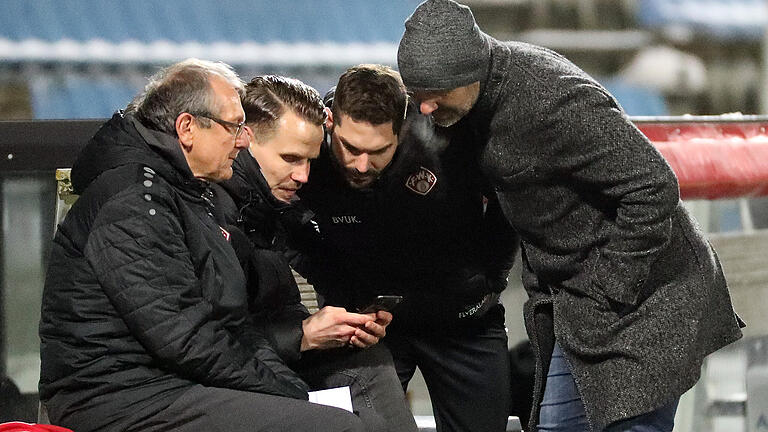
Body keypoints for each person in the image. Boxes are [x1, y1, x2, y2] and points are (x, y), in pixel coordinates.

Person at [396, 1, 745, 431]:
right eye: (418, 94)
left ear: (471, 73)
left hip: (648, 296)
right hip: (579, 303)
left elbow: (653, 186)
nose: (426, 108)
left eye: (435, 93)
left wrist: (610, 288)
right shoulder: (463, 109)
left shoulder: (550, 98)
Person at [39, 59, 370, 432]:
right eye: (235, 127)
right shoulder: (132, 200)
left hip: (167, 382)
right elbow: (184, 337)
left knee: (339, 415)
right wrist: (288, 395)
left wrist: (290, 390)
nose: (244, 140)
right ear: (187, 128)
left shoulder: (193, 194)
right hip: (111, 394)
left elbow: (232, 325)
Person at [257, 64, 518, 432]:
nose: (361, 165)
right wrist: (342, 291)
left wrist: (490, 279)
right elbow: (289, 233)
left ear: (402, 127)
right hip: (374, 328)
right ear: (331, 123)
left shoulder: (447, 142)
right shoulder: (307, 159)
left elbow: (508, 202)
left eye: (378, 151)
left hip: (463, 322)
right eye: (350, 147)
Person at [217, 74, 418, 432]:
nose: (304, 176)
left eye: (310, 160)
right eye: (291, 158)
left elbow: (319, 265)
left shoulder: (271, 208)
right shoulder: (212, 210)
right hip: (220, 379)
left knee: (368, 361)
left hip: (264, 358)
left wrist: (353, 317)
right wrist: (304, 334)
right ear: (244, 140)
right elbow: (202, 340)